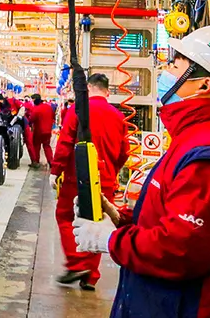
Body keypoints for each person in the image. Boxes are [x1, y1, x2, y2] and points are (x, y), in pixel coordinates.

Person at [73, 22, 210, 316]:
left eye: (175, 66)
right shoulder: (195, 135)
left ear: (203, 84)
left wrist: (108, 240)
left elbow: (181, 249)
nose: (165, 73)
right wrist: (119, 219)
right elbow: (173, 220)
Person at [50, 73, 129, 290]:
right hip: (106, 179)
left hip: (77, 177)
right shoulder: (118, 116)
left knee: (65, 216)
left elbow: (65, 142)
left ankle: (76, 264)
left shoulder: (78, 110)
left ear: (87, 88)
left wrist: (55, 171)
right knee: (97, 221)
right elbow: (124, 152)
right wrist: (112, 171)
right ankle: (91, 275)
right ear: (107, 91)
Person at [27, 93, 55, 168]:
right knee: (47, 146)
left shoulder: (36, 109)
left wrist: (28, 122)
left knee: (36, 146)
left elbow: (31, 119)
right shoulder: (48, 107)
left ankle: (36, 161)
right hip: (48, 131)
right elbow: (53, 116)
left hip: (38, 131)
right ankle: (51, 162)